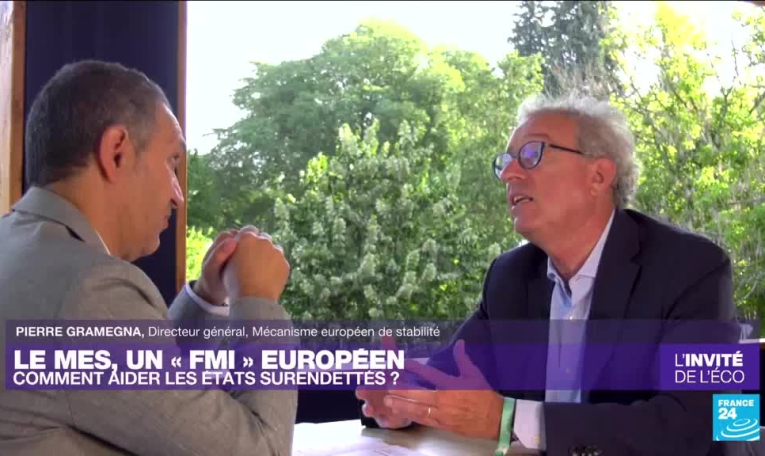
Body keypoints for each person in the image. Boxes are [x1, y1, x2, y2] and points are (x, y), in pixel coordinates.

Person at [357, 95, 744, 455]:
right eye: (505, 161)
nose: (509, 173)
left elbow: (699, 422)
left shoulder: (694, 268)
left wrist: (511, 419)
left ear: (598, 175)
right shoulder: (510, 277)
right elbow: (446, 374)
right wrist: (399, 400)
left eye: (531, 154)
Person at [0, 60, 296, 455]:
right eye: (172, 161)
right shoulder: (87, 292)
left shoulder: (17, 248)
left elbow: (152, 402)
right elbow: (262, 450)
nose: (178, 195)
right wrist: (257, 300)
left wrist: (206, 299)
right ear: (117, 152)